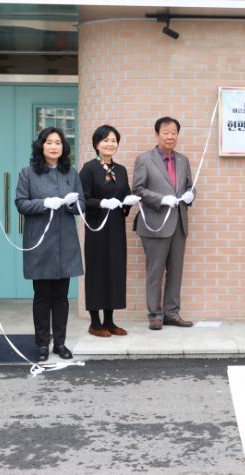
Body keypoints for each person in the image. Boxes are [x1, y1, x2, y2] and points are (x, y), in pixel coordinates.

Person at [15, 127, 85, 362]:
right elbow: (21, 203)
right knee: (42, 296)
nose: (54, 146)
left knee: (62, 297)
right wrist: (45, 203)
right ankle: (43, 343)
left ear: (63, 147)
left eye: (58, 143)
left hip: (65, 242)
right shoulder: (28, 173)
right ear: (41, 146)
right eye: (49, 142)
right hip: (40, 242)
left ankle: (60, 343)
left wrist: (71, 203)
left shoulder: (71, 173)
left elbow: (82, 204)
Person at [132, 117, 195, 330]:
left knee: (175, 271)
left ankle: (172, 313)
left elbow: (189, 186)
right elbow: (138, 190)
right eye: (166, 132)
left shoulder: (183, 160)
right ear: (156, 134)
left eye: (174, 132)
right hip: (155, 223)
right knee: (155, 271)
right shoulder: (144, 159)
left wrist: (190, 195)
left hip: (178, 223)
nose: (170, 136)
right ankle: (155, 315)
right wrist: (161, 199)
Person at [80, 125, 141, 337]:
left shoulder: (121, 170)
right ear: (96, 144)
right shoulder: (89, 169)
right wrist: (101, 203)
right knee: (97, 271)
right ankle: (95, 323)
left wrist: (129, 202)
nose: (110, 144)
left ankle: (109, 320)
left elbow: (125, 196)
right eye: (105, 140)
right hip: (97, 228)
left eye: (114, 140)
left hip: (116, 228)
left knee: (114, 270)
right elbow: (83, 198)